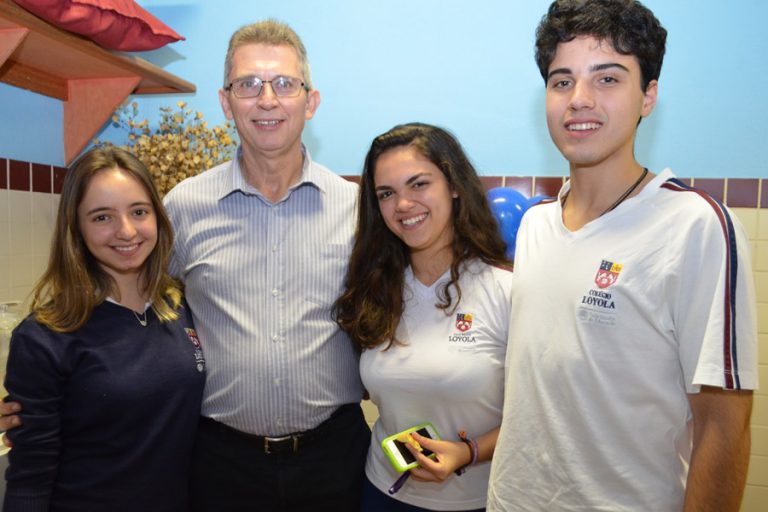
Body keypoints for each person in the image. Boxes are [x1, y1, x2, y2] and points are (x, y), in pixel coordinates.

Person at [487, 1, 758, 511]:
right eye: (562, 81)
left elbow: (723, 426)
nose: (579, 100)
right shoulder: (537, 224)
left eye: (607, 79)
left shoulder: (694, 226)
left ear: (648, 96)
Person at [160, 20, 369, 511]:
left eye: (285, 84)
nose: (267, 99)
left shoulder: (357, 210)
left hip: (334, 458)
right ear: (225, 101)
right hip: (221, 462)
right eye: (249, 84)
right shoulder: (183, 208)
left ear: (310, 102)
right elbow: (131, 306)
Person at [2, 146, 205, 511]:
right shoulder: (45, 337)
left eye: (139, 212)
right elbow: (30, 477)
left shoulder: (182, 308)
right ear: (76, 229)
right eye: (101, 217)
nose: (126, 231)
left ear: (158, 218)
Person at [336, 123, 513, 511]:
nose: (402, 204)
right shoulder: (376, 290)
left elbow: (537, 416)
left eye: (418, 184)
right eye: (386, 193)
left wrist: (467, 452)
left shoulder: (506, 291)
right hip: (382, 493)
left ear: (454, 186)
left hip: (476, 501)